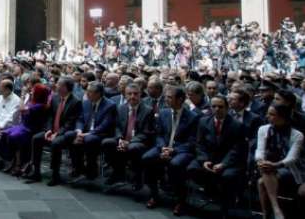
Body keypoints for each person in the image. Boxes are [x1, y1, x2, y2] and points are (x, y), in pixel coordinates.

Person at [187, 95, 246, 219]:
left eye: (220, 107)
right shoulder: (204, 121)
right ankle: (210, 192)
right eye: (214, 106)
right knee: (192, 168)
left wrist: (223, 164)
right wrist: (204, 160)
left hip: (227, 161)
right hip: (208, 158)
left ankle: (225, 208)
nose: (217, 109)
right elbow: (199, 144)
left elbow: (236, 150)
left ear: (227, 107)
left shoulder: (236, 125)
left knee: (227, 176)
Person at [142, 85, 198, 215]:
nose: (166, 99)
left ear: (180, 99)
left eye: (169, 97)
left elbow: (192, 142)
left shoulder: (192, 117)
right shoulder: (164, 113)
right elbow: (159, 134)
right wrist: (163, 147)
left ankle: (180, 200)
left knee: (175, 164)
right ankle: (154, 194)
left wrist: (173, 150)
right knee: (147, 158)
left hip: (182, 150)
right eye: (166, 97)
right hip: (164, 146)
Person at [25, 78, 81, 185]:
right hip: (52, 130)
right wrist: (49, 130)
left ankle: (55, 175)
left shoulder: (76, 102)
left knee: (56, 143)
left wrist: (57, 133)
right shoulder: (55, 98)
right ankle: (36, 171)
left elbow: (70, 123)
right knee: (36, 138)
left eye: (59, 84)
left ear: (65, 88)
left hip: (65, 133)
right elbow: (50, 116)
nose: (56, 86)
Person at [255, 104, 304, 219]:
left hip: (287, 168)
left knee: (261, 182)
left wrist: (276, 165)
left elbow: (292, 158)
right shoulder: (263, 129)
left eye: (272, 114)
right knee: (266, 169)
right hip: (265, 165)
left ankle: (267, 214)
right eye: (268, 113)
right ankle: (276, 210)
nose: (267, 116)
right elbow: (259, 150)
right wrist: (261, 161)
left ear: (283, 117)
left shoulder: (297, 135)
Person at [102, 83, 154, 188]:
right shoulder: (121, 108)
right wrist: (120, 138)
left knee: (133, 148)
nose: (132, 97)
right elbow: (116, 127)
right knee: (107, 143)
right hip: (123, 139)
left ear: (140, 95)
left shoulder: (148, 111)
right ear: (125, 95)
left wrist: (129, 142)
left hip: (139, 142)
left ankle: (137, 178)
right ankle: (117, 173)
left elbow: (146, 133)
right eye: (129, 94)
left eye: (135, 94)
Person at [0, 83, 50, 176]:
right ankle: (12, 160)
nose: (32, 91)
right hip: (23, 126)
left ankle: (18, 164)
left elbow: (21, 108)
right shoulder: (32, 101)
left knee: (13, 136)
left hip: (31, 129)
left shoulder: (39, 105)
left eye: (34, 90)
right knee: (5, 133)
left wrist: (22, 95)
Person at [71, 81, 117, 181]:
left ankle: (91, 170)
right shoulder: (86, 102)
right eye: (87, 91)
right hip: (85, 132)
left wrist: (86, 134)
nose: (86, 94)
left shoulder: (110, 105)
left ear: (98, 93)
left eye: (90, 92)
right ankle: (78, 168)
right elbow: (80, 119)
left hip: (102, 134)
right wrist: (79, 131)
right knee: (70, 136)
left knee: (89, 139)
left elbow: (104, 126)